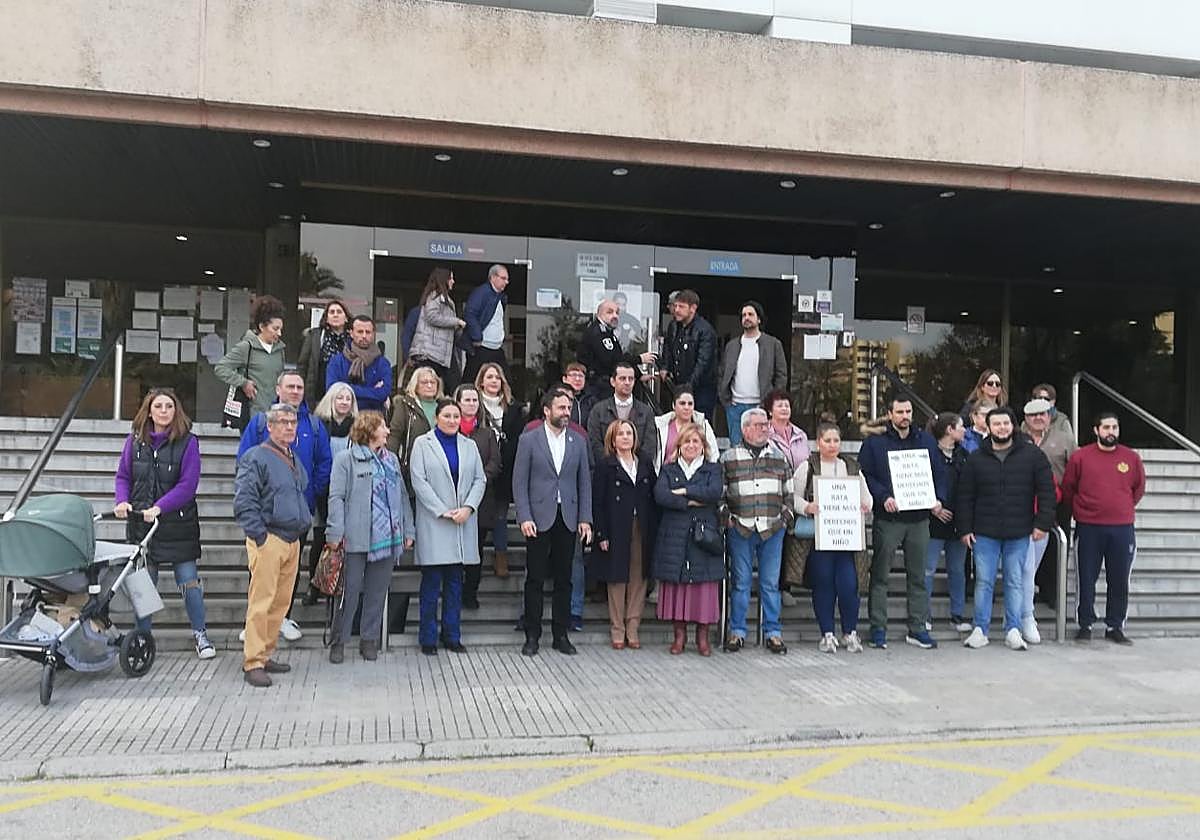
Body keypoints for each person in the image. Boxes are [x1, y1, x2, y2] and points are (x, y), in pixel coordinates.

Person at [113, 388, 212, 660]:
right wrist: (122, 501)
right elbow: (123, 476)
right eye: (159, 406)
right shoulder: (134, 442)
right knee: (144, 585)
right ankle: (142, 640)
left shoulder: (188, 442)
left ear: (176, 410)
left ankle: (201, 635)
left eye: (169, 405)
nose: (164, 410)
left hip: (178, 526)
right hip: (142, 526)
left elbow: (188, 485)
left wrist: (160, 507)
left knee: (189, 582)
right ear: (149, 410)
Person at [237, 371, 332, 642]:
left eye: (300, 387)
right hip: (266, 518)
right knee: (260, 573)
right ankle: (256, 626)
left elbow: (324, 463)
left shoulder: (313, 425)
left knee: (289, 572)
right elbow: (245, 462)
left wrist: (309, 495)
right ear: (278, 388)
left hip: (297, 513)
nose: (295, 391)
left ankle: (283, 617)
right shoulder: (260, 424)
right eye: (290, 386)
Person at [957, 407, 1056, 651]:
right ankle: (980, 629)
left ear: (1013, 426)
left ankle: (1013, 629)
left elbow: (1046, 492)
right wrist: (964, 528)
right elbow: (965, 496)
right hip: (984, 532)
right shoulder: (976, 458)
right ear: (988, 428)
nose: (1002, 427)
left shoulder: (1032, 455)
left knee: (1015, 581)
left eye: (1006, 423)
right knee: (984, 582)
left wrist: (1042, 523)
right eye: (996, 424)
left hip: (1019, 531)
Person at [857, 396, 946, 650]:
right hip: (889, 518)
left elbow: (938, 473)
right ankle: (878, 629)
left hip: (919, 518)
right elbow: (866, 475)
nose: (905, 415)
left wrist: (938, 498)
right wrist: (882, 496)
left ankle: (917, 628)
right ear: (889, 414)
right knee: (881, 576)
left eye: (908, 411)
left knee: (917, 576)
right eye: (899, 411)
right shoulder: (875, 443)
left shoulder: (926, 441)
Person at [233, 403, 312, 688]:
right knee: (261, 603)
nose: (290, 427)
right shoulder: (256, 457)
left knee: (279, 604)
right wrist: (260, 536)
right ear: (270, 426)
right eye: (283, 422)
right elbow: (244, 500)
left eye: (293, 422)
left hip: (291, 540)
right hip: (269, 539)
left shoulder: (292, 457)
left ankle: (265, 654)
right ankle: (252, 662)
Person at [325, 411, 414, 663]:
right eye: (383, 426)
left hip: (388, 538)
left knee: (377, 592)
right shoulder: (346, 459)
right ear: (370, 430)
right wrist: (335, 532)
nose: (387, 431)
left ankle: (369, 639)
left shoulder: (393, 460)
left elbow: (403, 497)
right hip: (355, 537)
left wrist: (409, 530)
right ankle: (339, 641)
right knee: (350, 592)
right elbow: (336, 498)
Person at [512, 389, 593, 656]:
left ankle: (561, 634)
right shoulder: (529, 440)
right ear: (547, 410)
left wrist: (585, 518)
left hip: (567, 517)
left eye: (568, 408)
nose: (566, 412)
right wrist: (524, 516)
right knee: (534, 578)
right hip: (538, 517)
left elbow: (584, 483)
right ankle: (532, 634)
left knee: (565, 579)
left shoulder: (578, 441)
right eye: (560, 408)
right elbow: (519, 481)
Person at [409, 399, 487, 655]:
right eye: (447, 416)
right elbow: (418, 481)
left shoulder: (469, 444)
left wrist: (468, 508)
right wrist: (442, 510)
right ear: (436, 418)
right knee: (431, 584)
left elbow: (479, 479)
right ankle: (428, 637)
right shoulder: (423, 444)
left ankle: (452, 635)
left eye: (456, 416)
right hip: (435, 521)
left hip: (462, 523)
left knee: (455, 584)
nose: (453, 420)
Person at [1061, 411, 1146, 645]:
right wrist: (1082, 510)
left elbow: (1138, 489)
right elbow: (1069, 488)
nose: (1111, 432)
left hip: (1122, 528)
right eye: (1106, 427)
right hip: (1089, 527)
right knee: (1085, 578)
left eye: (1114, 428)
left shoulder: (1130, 458)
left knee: (1119, 579)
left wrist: (1122, 507)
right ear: (1096, 430)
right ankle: (1085, 624)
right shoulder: (1081, 457)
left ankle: (1115, 625)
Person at [793, 422, 872, 654]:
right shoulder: (807, 467)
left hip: (846, 538)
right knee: (824, 584)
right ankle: (827, 633)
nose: (832, 445)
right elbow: (793, 498)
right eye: (827, 440)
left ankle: (850, 632)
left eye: (836, 440)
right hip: (820, 539)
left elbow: (867, 496)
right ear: (818, 442)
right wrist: (808, 507)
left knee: (849, 585)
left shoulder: (850, 466)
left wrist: (864, 505)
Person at [722, 408, 794, 655]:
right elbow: (720, 494)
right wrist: (727, 518)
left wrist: (786, 517)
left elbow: (789, 491)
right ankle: (737, 632)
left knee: (770, 584)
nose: (764, 429)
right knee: (741, 583)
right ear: (745, 429)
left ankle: (773, 632)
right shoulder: (729, 457)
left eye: (766, 425)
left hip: (772, 528)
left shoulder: (778, 456)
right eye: (759, 425)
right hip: (740, 527)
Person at [653, 422, 724, 656]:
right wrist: (692, 501)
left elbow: (713, 493)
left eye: (696, 441)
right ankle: (679, 637)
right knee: (678, 586)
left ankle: (702, 638)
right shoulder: (668, 469)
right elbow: (661, 496)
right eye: (687, 441)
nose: (691, 445)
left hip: (703, 535)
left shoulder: (712, 469)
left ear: (703, 446)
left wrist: (683, 491)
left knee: (703, 586)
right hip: (674, 534)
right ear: (679, 445)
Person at [591, 419, 656, 649]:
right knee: (617, 579)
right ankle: (617, 628)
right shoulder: (606, 465)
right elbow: (597, 502)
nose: (626, 437)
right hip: (616, 527)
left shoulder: (645, 463)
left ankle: (633, 627)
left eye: (629, 433)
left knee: (639, 578)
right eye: (621, 434)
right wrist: (601, 534)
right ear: (613, 439)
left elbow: (653, 496)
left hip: (642, 526)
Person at [1020, 396, 1075, 638]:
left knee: (1052, 554)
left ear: (1050, 415)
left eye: (1043, 414)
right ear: (1026, 419)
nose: (1039, 418)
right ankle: (1022, 611)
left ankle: (1049, 597)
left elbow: (1074, 471)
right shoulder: (1017, 438)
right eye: (1034, 415)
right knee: (1022, 567)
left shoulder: (1064, 439)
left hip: (1054, 505)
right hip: (1019, 510)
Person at [301, 381, 359, 605]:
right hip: (322, 489)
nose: (344, 402)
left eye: (348, 399)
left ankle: (339, 585)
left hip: (348, 491)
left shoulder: (358, 426)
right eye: (340, 398)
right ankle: (314, 586)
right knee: (320, 539)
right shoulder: (319, 425)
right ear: (331, 400)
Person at [476, 362, 527, 579]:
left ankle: (501, 558)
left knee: (499, 516)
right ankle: (473, 564)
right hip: (480, 469)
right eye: (489, 377)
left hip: (505, 470)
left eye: (497, 377)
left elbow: (518, 439)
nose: (494, 381)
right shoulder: (473, 405)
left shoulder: (514, 408)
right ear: (481, 381)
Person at [455, 383, 501, 610]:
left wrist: (479, 480)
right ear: (458, 402)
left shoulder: (487, 433)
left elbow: (495, 462)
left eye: (475, 400)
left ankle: (470, 592)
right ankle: (455, 591)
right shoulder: (450, 429)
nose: (471, 404)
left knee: (476, 549)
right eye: (467, 400)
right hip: (453, 499)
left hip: (481, 500)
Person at [926, 412, 972, 633]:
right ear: (949, 430)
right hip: (932, 520)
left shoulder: (964, 455)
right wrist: (933, 506)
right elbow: (920, 481)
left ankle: (957, 615)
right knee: (927, 569)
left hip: (958, 521)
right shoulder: (928, 454)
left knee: (957, 570)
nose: (965, 430)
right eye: (961, 427)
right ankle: (923, 616)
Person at [718, 301, 788, 445]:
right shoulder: (732, 345)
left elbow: (781, 375)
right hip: (735, 406)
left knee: (762, 446)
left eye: (751, 314)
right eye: (744, 315)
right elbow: (722, 373)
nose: (746, 318)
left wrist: (772, 401)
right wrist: (725, 399)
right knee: (737, 448)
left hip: (760, 406)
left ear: (759, 319)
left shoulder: (773, 344)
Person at [214, 295, 288, 419]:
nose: (279, 333)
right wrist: (243, 382)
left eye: (280, 329)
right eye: (275, 328)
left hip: (275, 414)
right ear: (261, 327)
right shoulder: (246, 347)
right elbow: (221, 368)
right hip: (251, 414)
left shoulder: (280, 350)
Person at [579, 299, 653, 406]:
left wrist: (638, 375)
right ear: (599, 314)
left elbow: (619, 356)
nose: (615, 316)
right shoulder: (597, 332)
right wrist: (640, 359)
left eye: (617, 313)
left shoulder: (609, 333)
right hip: (598, 388)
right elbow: (610, 360)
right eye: (609, 312)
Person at [658, 289, 718, 418]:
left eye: (681, 306)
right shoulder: (673, 326)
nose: (677, 310)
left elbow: (703, 363)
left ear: (693, 308)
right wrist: (665, 367)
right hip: (678, 385)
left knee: (699, 426)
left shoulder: (705, 330)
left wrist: (688, 387)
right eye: (675, 306)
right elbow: (668, 347)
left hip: (702, 389)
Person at [586, 361, 656, 465]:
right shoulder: (598, 410)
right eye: (622, 378)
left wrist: (635, 465)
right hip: (607, 471)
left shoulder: (646, 411)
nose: (627, 382)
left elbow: (650, 444)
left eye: (631, 379)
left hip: (637, 472)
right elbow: (594, 443)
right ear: (613, 382)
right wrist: (612, 464)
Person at [409, 267, 466, 391]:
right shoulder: (435, 297)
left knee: (449, 386)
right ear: (444, 280)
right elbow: (432, 316)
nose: (453, 281)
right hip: (431, 353)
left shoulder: (444, 300)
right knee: (436, 387)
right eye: (451, 278)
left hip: (439, 353)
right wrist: (456, 321)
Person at [324, 315, 392, 413]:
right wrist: (372, 391)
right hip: (343, 417)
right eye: (360, 332)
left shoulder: (382, 363)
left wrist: (347, 388)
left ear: (373, 334)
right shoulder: (337, 361)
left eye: (368, 332)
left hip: (373, 418)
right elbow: (332, 390)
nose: (364, 336)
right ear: (351, 333)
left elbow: (383, 393)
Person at [387, 365, 442, 482]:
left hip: (440, 468)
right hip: (412, 467)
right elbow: (395, 436)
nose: (429, 385)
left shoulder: (445, 406)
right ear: (415, 385)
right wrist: (392, 463)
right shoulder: (404, 405)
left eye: (433, 382)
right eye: (424, 382)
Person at [297, 299, 350, 409]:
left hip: (344, 397)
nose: (335, 315)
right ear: (326, 318)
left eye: (339, 312)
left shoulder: (351, 339)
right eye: (332, 312)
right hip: (317, 395)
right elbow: (303, 365)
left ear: (346, 318)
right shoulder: (315, 336)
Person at [651, 386, 719, 472]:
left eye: (690, 404)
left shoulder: (703, 425)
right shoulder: (662, 426)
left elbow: (713, 455)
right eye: (682, 403)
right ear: (673, 405)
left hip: (698, 479)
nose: (686, 407)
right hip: (667, 479)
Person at [463, 264, 510, 384]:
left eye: (507, 279)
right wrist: (477, 336)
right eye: (503, 278)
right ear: (493, 277)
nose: (506, 282)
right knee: (474, 380)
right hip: (482, 347)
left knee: (505, 380)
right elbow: (470, 313)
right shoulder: (481, 292)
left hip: (496, 348)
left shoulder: (501, 297)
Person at [763, 390, 810, 471]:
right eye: (780, 406)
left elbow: (808, 460)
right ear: (770, 411)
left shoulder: (801, 435)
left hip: (800, 481)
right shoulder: (763, 434)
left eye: (787, 406)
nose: (784, 408)